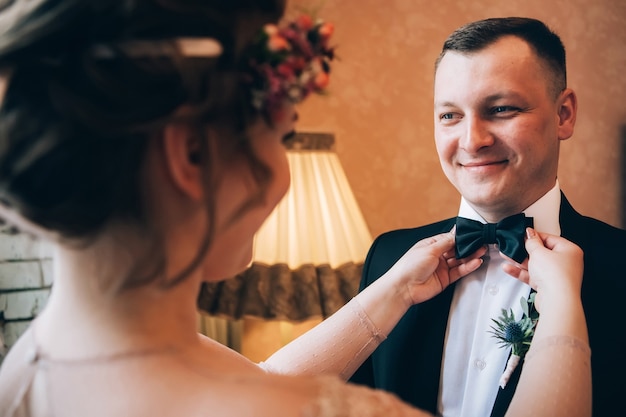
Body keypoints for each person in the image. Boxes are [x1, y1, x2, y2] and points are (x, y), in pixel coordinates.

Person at [0, 3, 591, 416]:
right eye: (280, 137)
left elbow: (255, 385)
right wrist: (565, 307)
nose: (473, 139)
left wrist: (387, 295)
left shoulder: (21, 375)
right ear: (191, 156)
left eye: (503, 109)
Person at [349, 16, 626, 417]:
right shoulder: (388, 257)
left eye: (500, 109)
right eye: (449, 115)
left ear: (564, 114)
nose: (472, 140)